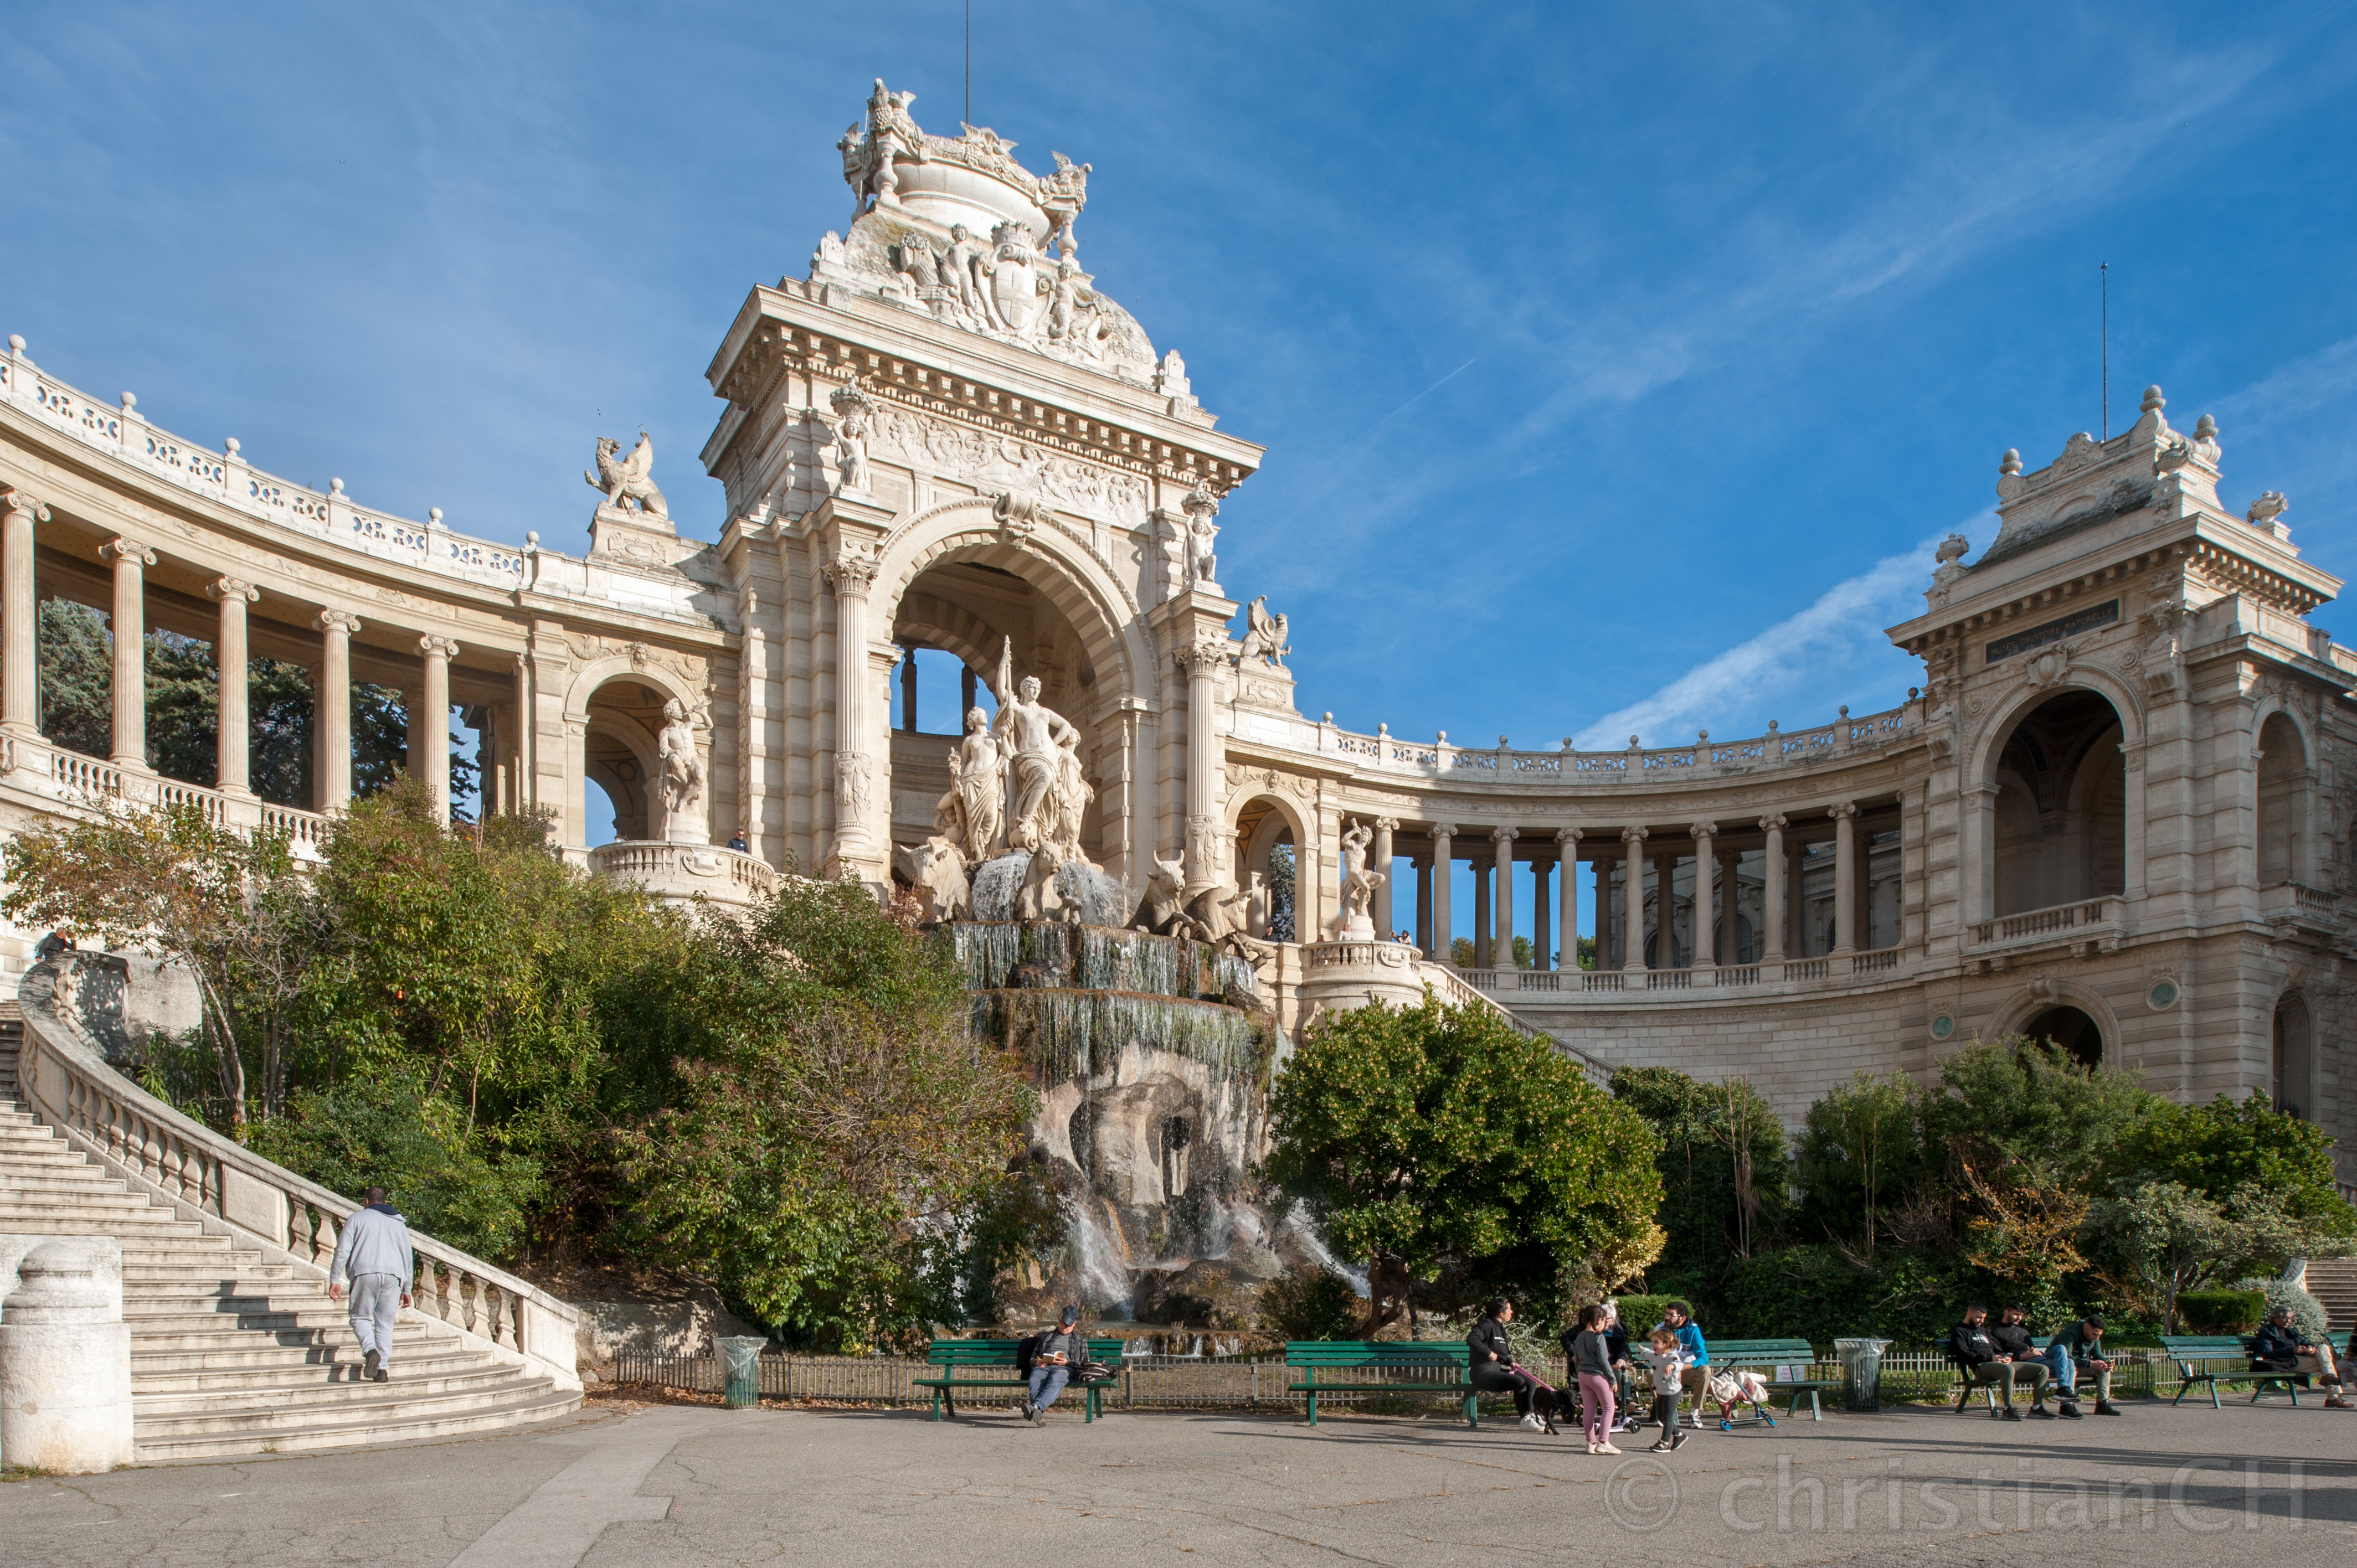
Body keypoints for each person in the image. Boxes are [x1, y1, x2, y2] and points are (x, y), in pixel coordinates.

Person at [327, 1186, 414, 1383]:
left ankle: (370, 1350)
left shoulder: (357, 1219)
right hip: (394, 1276)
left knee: (360, 1317)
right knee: (385, 1324)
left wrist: (334, 1279)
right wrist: (408, 1288)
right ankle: (382, 1370)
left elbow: (342, 1252)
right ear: (384, 1202)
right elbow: (408, 1258)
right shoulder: (399, 1224)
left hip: (365, 1272)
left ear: (366, 1201)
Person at [1466, 1297, 1545, 1432]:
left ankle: (1533, 1416)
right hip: (1482, 1373)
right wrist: (1488, 1353)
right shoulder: (1487, 1324)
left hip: (1494, 1371)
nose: (1512, 1312)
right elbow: (1472, 1339)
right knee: (1519, 1381)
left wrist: (1510, 1362)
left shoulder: (1500, 1328)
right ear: (1501, 1313)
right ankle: (1525, 1420)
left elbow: (1500, 1354)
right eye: (1509, 1309)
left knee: (1530, 1381)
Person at [2251, 1303, 2352, 1409]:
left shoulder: (2290, 1332)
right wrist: (2292, 1350)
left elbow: (2305, 1342)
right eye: (2285, 1318)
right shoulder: (2266, 1332)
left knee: (2323, 1347)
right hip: (2285, 1363)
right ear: (2275, 1318)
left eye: (2290, 1318)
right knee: (2326, 1365)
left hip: (2297, 1360)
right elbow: (2266, 1353)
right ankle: (2333, 1397)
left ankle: (2329, 1381)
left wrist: (2310, 1348)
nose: (2288, 1321)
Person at [1948, 1304, 2039, 1420]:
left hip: (1998, 1363)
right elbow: (1964, 1354)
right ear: (1969, 1314)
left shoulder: (1985, 1331)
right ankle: (2008, 1409)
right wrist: (1989, 1358)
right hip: (1981, 1367)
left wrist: (2005, 1357)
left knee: (2041, 1370)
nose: (1981, 1321)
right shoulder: (1959, 1331)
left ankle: (2037, 1408)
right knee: (2009, 1369)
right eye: (1978, 1317)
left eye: (1983, 1318)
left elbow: (1998, 1350)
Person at [1566, 1304, 1620, 1454]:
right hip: (1598, 1376)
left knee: (1589, 1410)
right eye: (1604, 1321)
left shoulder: (1579, 1337)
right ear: (1599, 1320)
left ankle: (1590, 1443)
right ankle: (1604, 1441)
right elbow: (1604, 1361)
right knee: (1609, 1408)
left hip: (1583, 1376)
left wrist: (1579, 1374)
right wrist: (1612, 1379)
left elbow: (1576, 1359)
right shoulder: (1599, 1338)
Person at [2044, 1316, 2122, 1417]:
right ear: (2086, 1328)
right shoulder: (2069, 1334)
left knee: (2104, 1369)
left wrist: (2106, 1362)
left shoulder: (2095, 1338)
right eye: (2095, 1334)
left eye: (2099, 1335)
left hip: (2080, 1365)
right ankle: (2067, 1406)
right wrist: (2091, 1363)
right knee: (2071, 1366)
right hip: (2059, 1366)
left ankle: (2102, 1404)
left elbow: (2098, 1354)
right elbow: (2067, 1358)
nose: (2096, 1338)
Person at [1021, 1306, 1085, 1425]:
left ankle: (1035, 1408)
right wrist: (1037, 1362)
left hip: (1064, 1368)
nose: (1063, 1327)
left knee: (1056, 1379)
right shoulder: (1047, 1337)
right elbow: (1033, 1358)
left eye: (1067, 1325)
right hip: (1044, 1366)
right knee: (1035, 1378)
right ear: (1059, 1320)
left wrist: (1068, 1362)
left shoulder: (1080, 1340)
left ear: (1075, 1324)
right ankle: (1038, 1414)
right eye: (1061, 1323)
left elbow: (1084, 1363)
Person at [1989, 1303, 2056, 1417]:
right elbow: (2000, 1355)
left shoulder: (2024, 1332)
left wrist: (2038, 1353)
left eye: (2021, 1315)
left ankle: (2062, 1400)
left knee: (2065, 1359)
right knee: (2058, 1366)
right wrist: (2020, 1357)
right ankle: (2061, 1401)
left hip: (2036, 1361)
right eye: (2016, 1314)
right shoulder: (1997, 1332)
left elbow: (2032, 1349)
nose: (2019, 1318)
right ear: (2006, 1312)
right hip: (2016, 1364)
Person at [1655, 1301, 1710, 1436]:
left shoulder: (1693, 1330)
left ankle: (1694, 1414)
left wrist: (1681, 1368)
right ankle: (1662, 1415)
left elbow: (1703, 1357)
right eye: (1666, 1313)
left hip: (1685, 1372)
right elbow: (1655, 1355)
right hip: (1666, 1372)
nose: (1667, 1317)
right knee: (1652, 1374)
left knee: (1705, 1370)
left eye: (1671, 1315)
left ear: (1682, 1318)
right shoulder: (1661, 1329)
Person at [1645, 1327, 1689, 1452]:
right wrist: (1642, 1350)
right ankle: (1680, 1435)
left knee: (1668, 1418)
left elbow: (1680, 1364)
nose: (1653, 1345)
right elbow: (1649, 1354)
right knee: (1661, 1417)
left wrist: (1672, 1366)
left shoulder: (1672, 1357)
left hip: (1672, 1392)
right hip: (1661, 1392)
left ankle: (1664, 1443)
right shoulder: (1657, 1355)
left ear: (1667, 1344)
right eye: (1652, 1342)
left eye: (1656, 1342)